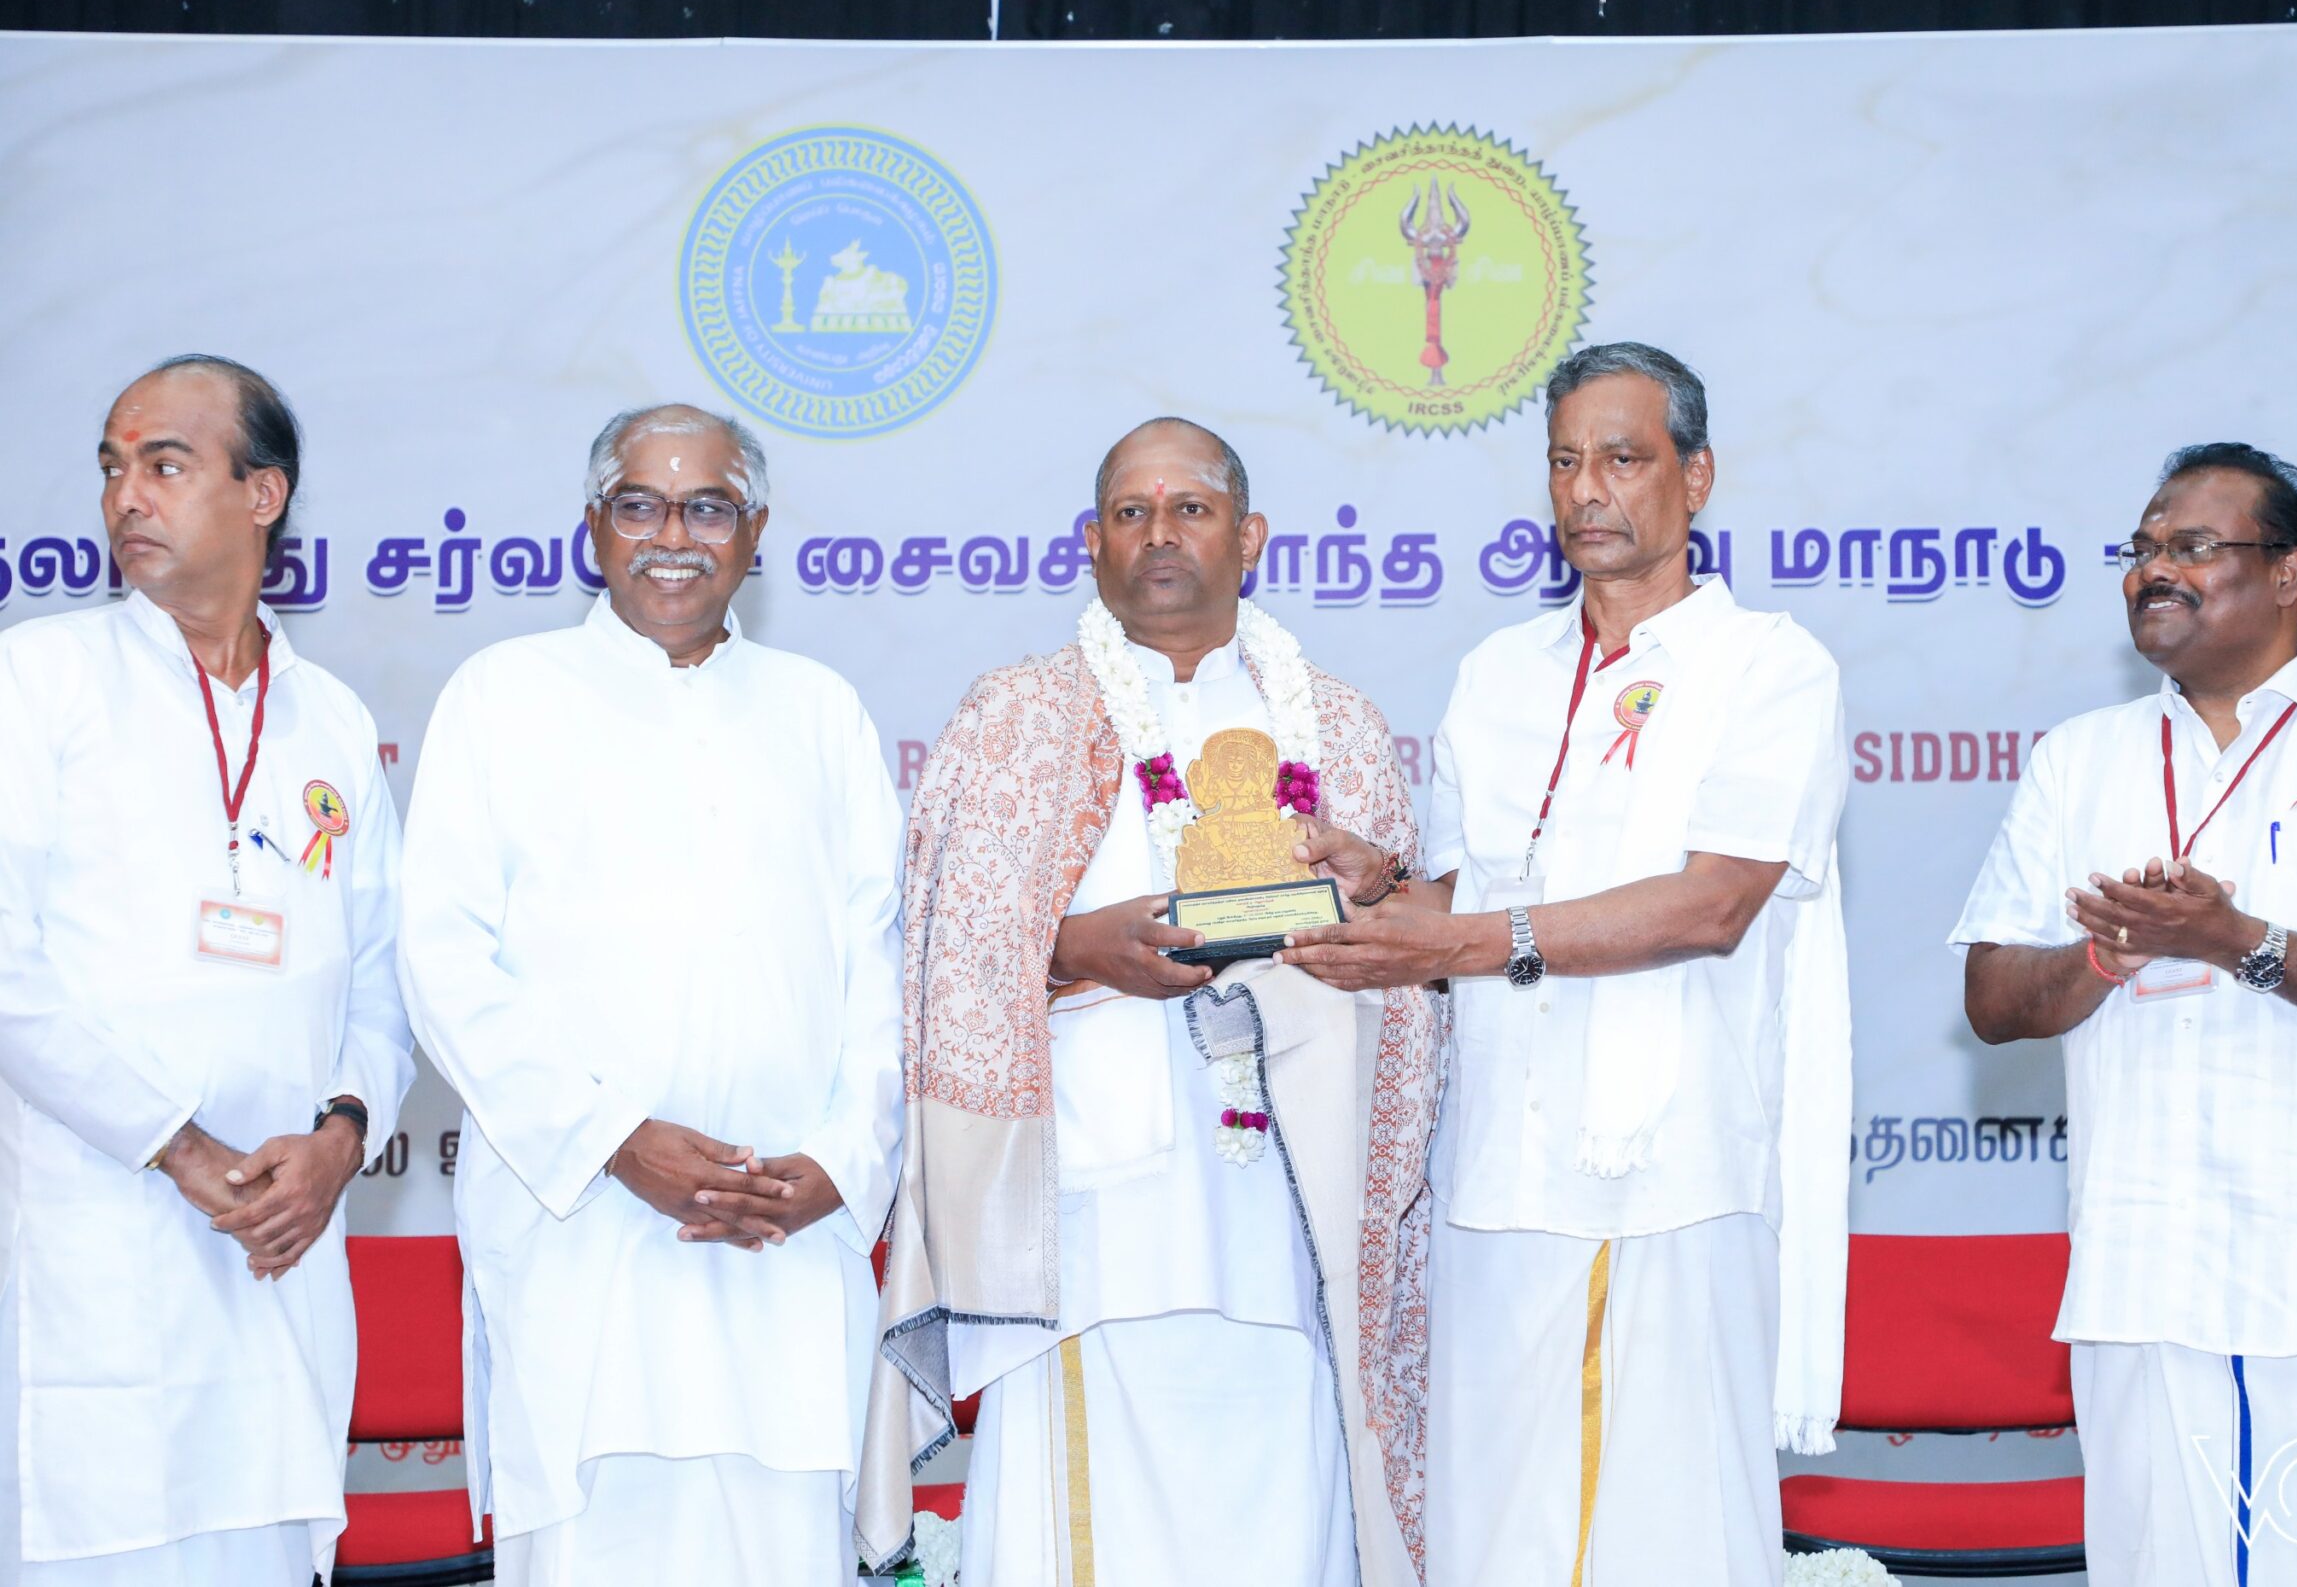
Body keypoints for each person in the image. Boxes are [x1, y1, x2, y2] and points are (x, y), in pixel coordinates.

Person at [1279, 342, 1853, 1586]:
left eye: (1622, 459)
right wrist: (1378, 889)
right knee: (1499, 1530)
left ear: (1695, 477)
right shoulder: (1499, 674)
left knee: (1669, 1534)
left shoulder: (1769, 666)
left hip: (1674, 1173)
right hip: (1497, 1172)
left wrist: (1462, 938)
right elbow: (1467, 896)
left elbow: (1713, 904)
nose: (1586, 488)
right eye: (1563, 461)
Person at [858, 419, 1443, 1587]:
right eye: (1131, 512)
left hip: (1285, 1222)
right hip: (1089, 1225)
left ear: (1249, 537)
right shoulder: (1012, 719)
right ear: (1092, 542)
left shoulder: (1337, 728)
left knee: (1281, 1513)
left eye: (1191, 508)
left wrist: (1372, 890)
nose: (1160, 533)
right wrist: (1079, 949)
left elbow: (1416, 978)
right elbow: (938, 957)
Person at [1952, 442, 2297, 1586]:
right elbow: (1993, 999)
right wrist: (2105, 954)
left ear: (2288, 573)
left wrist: (2237, 941)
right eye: (2142, 547)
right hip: (2142, 1279)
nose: (2153, 569)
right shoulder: (2076, 761)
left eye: (2192, 545)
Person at [398, 404, 903, 1587]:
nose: (673, 536)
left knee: (784, 1548)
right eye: (641, 504)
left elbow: (880, 963)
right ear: (594, 526)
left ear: (755, 530)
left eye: (708, 506)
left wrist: (841, 1163)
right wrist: (613, 1142)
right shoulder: (502, 694)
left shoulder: (820, 711)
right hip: (584, 1237)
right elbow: (443, 959)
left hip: (786, 1243)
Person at [0, 355, 412, 1584]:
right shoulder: (41, 679)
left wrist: (340, 1140)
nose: (126, 495)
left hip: (278, 1255)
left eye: (166, 464)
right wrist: (178, 1146)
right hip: (98, 1242)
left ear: (262, 493)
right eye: (113, 468)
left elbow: (386, 980)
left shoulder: (330, 717)